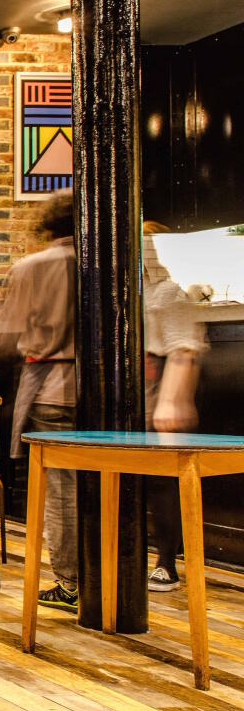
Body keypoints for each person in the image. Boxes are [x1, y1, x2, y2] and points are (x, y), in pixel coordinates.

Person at [0, 193, 77, 610]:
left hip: (53, 391)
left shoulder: (32, 268)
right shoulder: (104, 261)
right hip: (102, 393)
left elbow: (4, 334)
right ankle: (104, 571)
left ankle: (69, 581)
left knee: (61, 490)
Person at [143, 223, 207, 591]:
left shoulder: (168, 293)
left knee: (164, 482)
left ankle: (167, 562)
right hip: (139, 387)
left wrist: (170, 399)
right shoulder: (136, 291)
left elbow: (184, 349)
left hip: (158, 385)